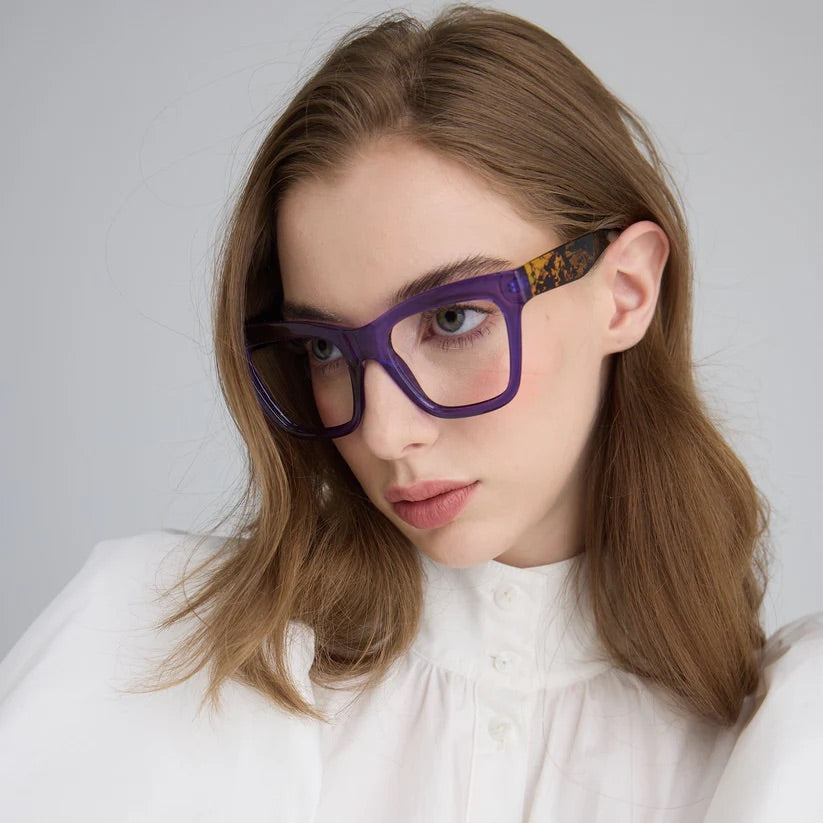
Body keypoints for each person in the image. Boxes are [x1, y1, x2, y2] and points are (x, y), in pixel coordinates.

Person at [1, 4, 821, 821]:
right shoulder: (156, 651)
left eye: (453, 318)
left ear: (626, 291)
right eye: (325, 348)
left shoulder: (778, 747)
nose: (384, 433)